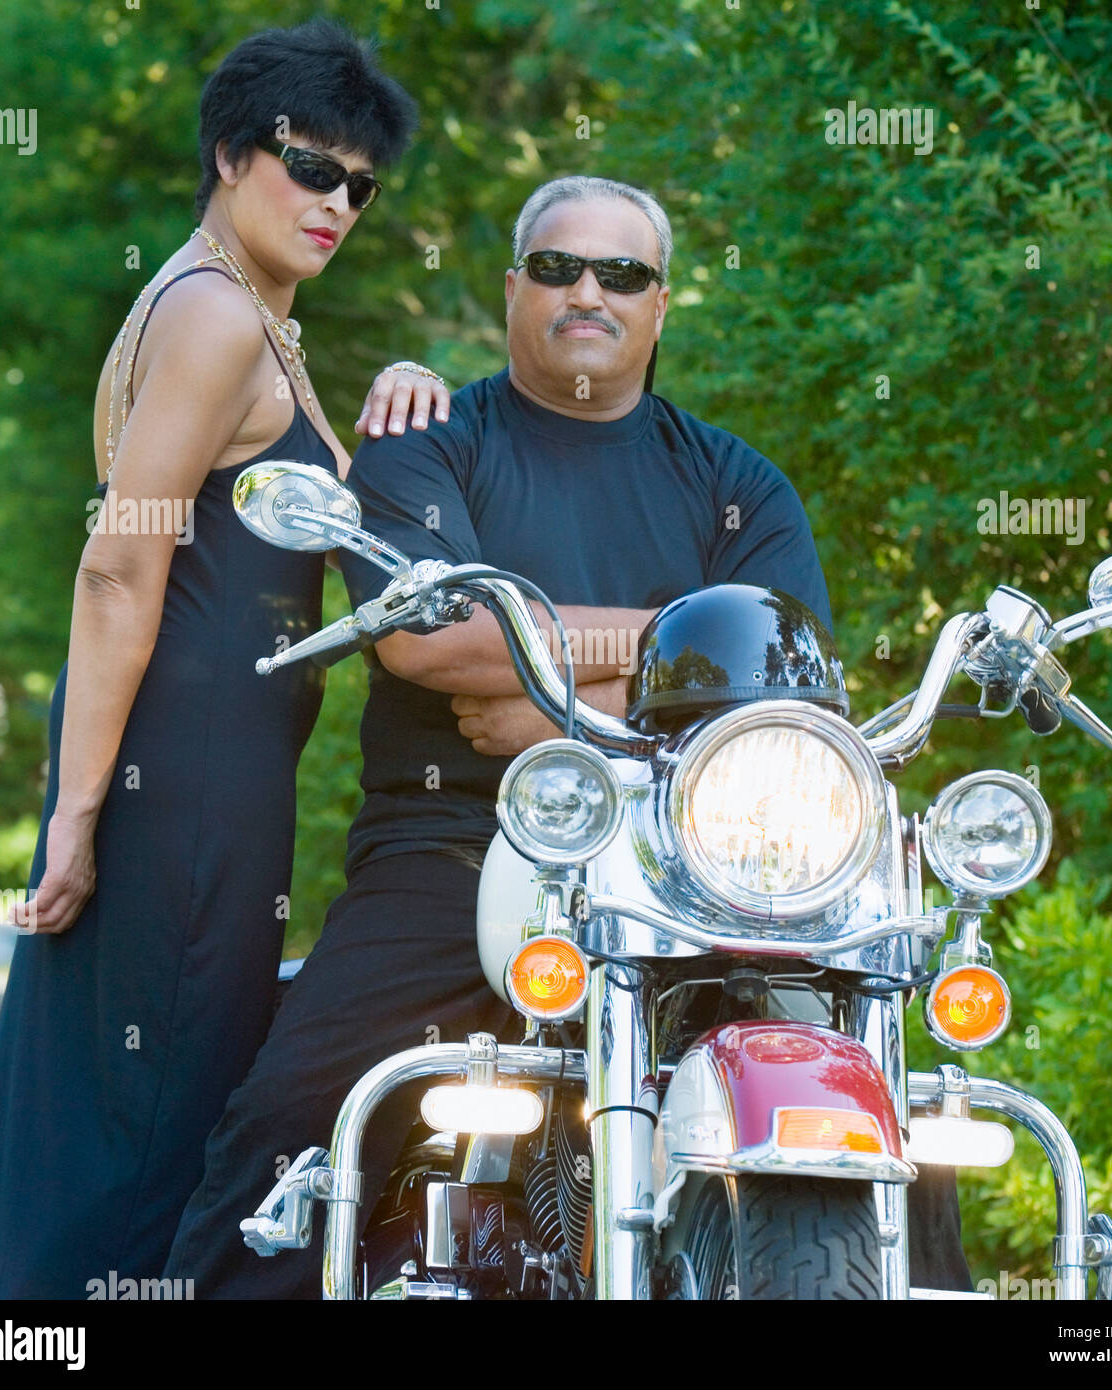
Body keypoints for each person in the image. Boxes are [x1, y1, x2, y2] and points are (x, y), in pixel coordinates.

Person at [162, 175, 867, 1300]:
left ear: (659, 304)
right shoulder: (425, 444)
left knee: (866, 1108)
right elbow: (429, 639)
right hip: (456, 849)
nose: (588, 292)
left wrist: (548, 701)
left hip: (692, 873)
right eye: (557, 267)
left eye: (621, 273)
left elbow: (785, 688)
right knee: (297, 1114)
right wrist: (681, 641)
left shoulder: (740, 485)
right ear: (511, 289)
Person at [0, 19, 447, 1301]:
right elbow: (120, 565)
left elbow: (335, 514)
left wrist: (401, 387)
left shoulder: (239, 314)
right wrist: (80, 810)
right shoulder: (218, 315)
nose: (336, 205)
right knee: (150, 1105)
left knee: (128, 1095)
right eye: (310, 168)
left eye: (359, 186)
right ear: (230, 154)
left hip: (204, 765)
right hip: (183, 772)